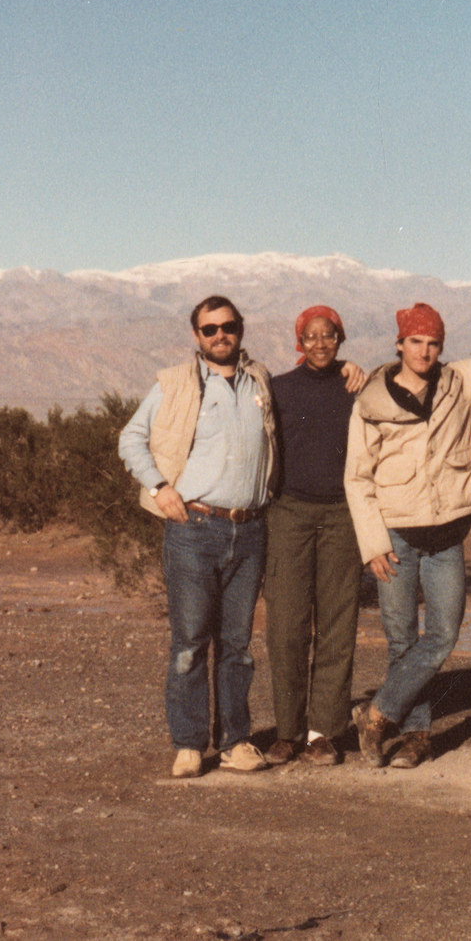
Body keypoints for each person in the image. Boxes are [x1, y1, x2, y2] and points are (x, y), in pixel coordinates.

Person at [346, 303, 471, 768]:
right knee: (401, 636)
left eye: (433, 343)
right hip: (395, 533)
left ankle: (377, 712)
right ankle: (416, 735)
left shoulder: (457, 382)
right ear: (400, 344)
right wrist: (373, 544)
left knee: (443, 633)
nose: (425, 351)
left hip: (447, 534)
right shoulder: (371, 402)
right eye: (416, 342)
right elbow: (357, 478)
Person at [118, 294, 276, 778]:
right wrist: (161, 488)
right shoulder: (176, 383)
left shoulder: (260, 381)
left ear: (240, 329)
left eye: (228, 326)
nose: (220, 335)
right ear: (196, 336)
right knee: (189, 641)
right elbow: (130, 438)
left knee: (238, 644)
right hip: (194, 528)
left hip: (248, 529)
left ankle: (236, 741)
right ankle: (189, 743)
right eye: (210, 329)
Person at [262, 305, 369, 768]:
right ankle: (287, 731)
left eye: (328, 335)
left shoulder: (356, 388)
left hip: (343, 516)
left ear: (340, 339)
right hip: (289, 512)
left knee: (337, 625)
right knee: (285, 627)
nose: (320, 344)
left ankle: (323, 732)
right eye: (311, 336)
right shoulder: (280, 389)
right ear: (298, 342)